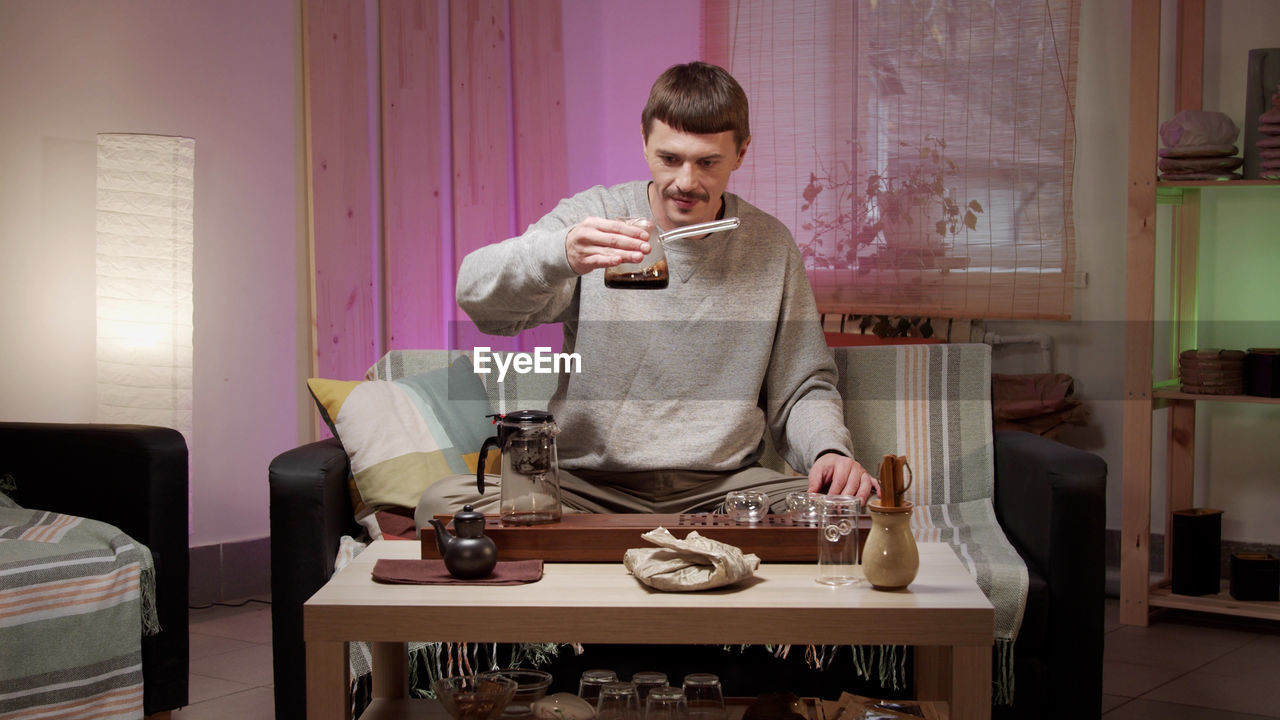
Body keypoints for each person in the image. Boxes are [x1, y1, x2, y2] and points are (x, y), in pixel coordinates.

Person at [420, 61, 876, 520]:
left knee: (852, 514)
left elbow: (801, 387)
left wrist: (827, 451)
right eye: (670, 158)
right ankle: (651, 543)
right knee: (442, 507)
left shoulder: (769, 245)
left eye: (708, 162)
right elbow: (477, 295)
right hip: (586, 487)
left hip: (722, 491)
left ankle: (634, 546)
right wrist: (560, 254)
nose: (685, 182)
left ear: (741, 153)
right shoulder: (595, 218)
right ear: (644, 141)